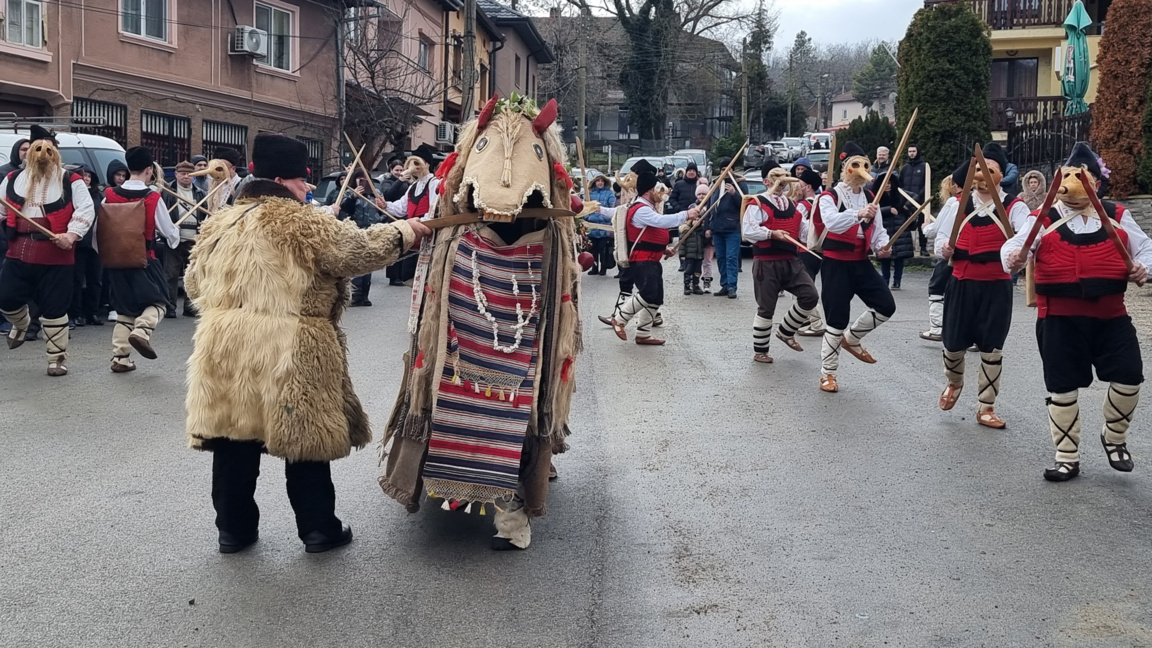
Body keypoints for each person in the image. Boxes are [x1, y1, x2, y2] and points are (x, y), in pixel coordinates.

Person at [184, 132, 429, 554]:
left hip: (223, 346)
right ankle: (318, 530)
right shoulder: (300, 221)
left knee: (234, 441)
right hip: (290, 344)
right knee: (305, 438)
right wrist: (404, 231)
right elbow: (356, 250)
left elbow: (193, 284)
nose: (306, 188)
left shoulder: (219, 224)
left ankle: (233, 532)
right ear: (282, 180)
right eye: (302, 181)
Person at [1003, 143, 1150, 481]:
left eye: (1079, 178)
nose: (1070, 184)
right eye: (1066, 177)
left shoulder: (1117, 215)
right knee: (1063, 387)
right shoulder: (1044, 218)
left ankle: (1114, 437)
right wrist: (1014, 257)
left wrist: (1144, 267)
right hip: (1059, 317)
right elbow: (1017, 245)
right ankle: (1066, 456)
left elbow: (1146, 248)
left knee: (1129, 377)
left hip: (1111, 315)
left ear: (1095, 183)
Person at [935, 144, 1031, 429]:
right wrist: (944, 248)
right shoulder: (957, 204)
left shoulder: (1015, 206)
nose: (982, 173)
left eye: (990, 169)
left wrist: (1019, 256)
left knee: (992, 347)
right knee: (953, 344)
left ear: (1001, 174)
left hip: (996, 286)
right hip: (961, 281)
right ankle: (954, 382)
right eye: (978, 168)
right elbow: (940, 238)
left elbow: (1026, 238)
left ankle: (986, 406)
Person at [0, 126, 95, 376]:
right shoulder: (12, 179)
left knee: (55, 308)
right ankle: (21, 323)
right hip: (18, 251)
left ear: (55, 152)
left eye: (48, 149)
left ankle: (56, 358)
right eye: (37, 148)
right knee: (6, 298)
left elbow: (86, 209)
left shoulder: (70, 180)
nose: (42, 154)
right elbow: (1, 211)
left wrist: (71, 235)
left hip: (56, 254)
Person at [810, 141, 894, 393]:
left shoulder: (870, 197)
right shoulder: (829, 196)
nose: (861, 170)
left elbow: (878, 229)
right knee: (835, 321)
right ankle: (828, 374)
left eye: (865, 165)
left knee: (886, 306)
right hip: (836, 263)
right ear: (845, 168)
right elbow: (832, 223)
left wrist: (882, 246)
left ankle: (852, 338)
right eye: (855, 165)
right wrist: (858, 214)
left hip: (860, 261)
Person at [100, 147, 180, 373]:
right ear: (149, 169)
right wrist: (175, 234)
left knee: (125, 310)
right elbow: (170, 234)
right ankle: (142, 331)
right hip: (145, 259)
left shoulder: (109, 195)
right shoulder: (152, 197)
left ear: (128, 168)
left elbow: (100, 231)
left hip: (116, 262)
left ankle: (120, 358)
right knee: (160, 302)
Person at [607, 158, 700, 344]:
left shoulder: (647, 207)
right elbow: (661, 222)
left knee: (656, 298)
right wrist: (686, 215)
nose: (661, 192)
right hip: (642, 260)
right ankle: (620, 318)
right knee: (648, 293)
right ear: (650, 190)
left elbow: (650, 234)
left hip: (651, 258)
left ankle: (643, 334)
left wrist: (664, 249)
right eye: (658, 188)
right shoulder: (641, 209)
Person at [742, 161, 819, 363]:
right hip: (766, 261)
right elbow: (748, 231)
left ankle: (786, 331)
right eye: (777, 180)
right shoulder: (758, 203)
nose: (781, 184)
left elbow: (804, 231)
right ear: (767, 182)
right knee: (766, 308)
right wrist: (771, 233)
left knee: (810, 295)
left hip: (791, 260)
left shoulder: (793, 205)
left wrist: (820, 228)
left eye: (783, 180)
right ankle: (760, 351)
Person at [383, 143, 439, 286]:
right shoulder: (413, 186)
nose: (413, 166)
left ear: (426, 164)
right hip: (414, 236)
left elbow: (433, 212)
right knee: (408, 277)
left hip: (428, 236)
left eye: (417, 163)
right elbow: (401, 208)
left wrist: (416, 223)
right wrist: (385, 205)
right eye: (411, 163)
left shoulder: (434, 183)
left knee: (427, 279)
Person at [920, 173, 960, 342]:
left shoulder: (953, 202)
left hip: (949, 254)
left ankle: (937, 329)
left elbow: (935, 229)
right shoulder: (976, 202)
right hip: (966, 254)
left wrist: (926, 227)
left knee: (937, 288)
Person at [163, 161, 207, 317]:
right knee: (171, 274)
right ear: (176, 174)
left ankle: (190, 307)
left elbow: (205, 214)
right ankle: (170, 307)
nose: (186, 177)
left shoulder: (200, 194)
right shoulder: (168, 192)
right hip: (174, 239)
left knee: (192, 274)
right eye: (182, 174)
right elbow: (163, 214)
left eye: (189, 174)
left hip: (194, 240)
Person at [339, 170, 386, 305]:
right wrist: (353, 196)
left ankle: (364, 295)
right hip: (355, 231)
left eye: (365, 178)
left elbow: (384, 210)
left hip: (372, 231)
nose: (362, 181)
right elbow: (343, 209)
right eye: (359, 178)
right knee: (357, 262)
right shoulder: (349, 192)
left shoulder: (376, 193)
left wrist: (380, 220)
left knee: (369, 262)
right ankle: (356, 295)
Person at [703, 161, 747, 298]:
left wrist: (734, 194)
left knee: (731, 258)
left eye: (729, 169)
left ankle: (732, 287)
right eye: (723, 169)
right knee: (721, 258)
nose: (726, 172)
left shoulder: (740, 184)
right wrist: (707, 227)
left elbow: (744, 204)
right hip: (717, 229)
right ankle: (725, 285)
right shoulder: (715, 184)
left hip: (732, 228)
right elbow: (709, 207)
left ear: (733, 170)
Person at [793, 168, 827, 337]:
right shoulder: (822, 203)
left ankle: (816, 323)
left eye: (799, 184)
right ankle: (804, 320)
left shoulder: (803, 205)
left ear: (807, 187)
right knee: (805, 286)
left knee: (804, 288)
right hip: (818, 250)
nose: (796, 187)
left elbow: (797, 229)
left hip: (804, 249)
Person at [70, 165, 104, 327]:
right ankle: (76, 314)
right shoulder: (72, 193)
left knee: (95, 280)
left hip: (96, 243)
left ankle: (92, 312)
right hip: (78, 243)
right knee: (76, 280)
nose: (86, 178)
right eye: (83, 175)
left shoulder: (98, 195)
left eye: (89, 176)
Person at [876, 173, 912, 289]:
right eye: (885, 183)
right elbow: (873, 210)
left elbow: (915, 197)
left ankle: (897, 281)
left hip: (899, 227)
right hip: (885, 227)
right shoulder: (876, 196)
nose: (887, 185)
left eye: (889, 183)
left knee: (899, 258)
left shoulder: (900, 193)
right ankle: (885, 281)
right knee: (885, 256)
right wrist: (888, 209)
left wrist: (906, 206)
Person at [898, 143, 931, 256]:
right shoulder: (905, 168)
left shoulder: (924, 166)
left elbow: (926, 185)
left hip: (921, 203)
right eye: (910, 151)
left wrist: (918, 198)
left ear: (918, 152)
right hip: (906, 203)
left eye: (913, 151)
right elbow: (900, 185)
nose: (911, 154)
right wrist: (905, 202)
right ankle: (907, 249)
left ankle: (923, 248)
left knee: (922, 225)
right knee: (905, 225)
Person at [678, 183, 709, 295]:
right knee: (688, 270)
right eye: (694, 219)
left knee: (697, 271)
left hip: (698, 255)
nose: (696, 222)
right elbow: (682, 242)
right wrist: (682, 254)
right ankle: (687, 285)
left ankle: (696, 285)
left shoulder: (700, 232)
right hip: (689, 255)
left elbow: (704, 242)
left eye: (698, 220)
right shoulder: (686, 230)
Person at [587, 174, 616, 275]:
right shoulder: (589, 194)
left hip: (604, 227)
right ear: (594, 182)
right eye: (598, 181)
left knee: (603, 249)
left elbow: (612, 209)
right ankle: (594, 267)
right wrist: (588, 218)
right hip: (592, 226)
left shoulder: (609, 193)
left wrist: (604, 218)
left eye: (602, 181)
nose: (600, 183)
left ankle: (603, 268)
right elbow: (584, 208)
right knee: (593, 249)